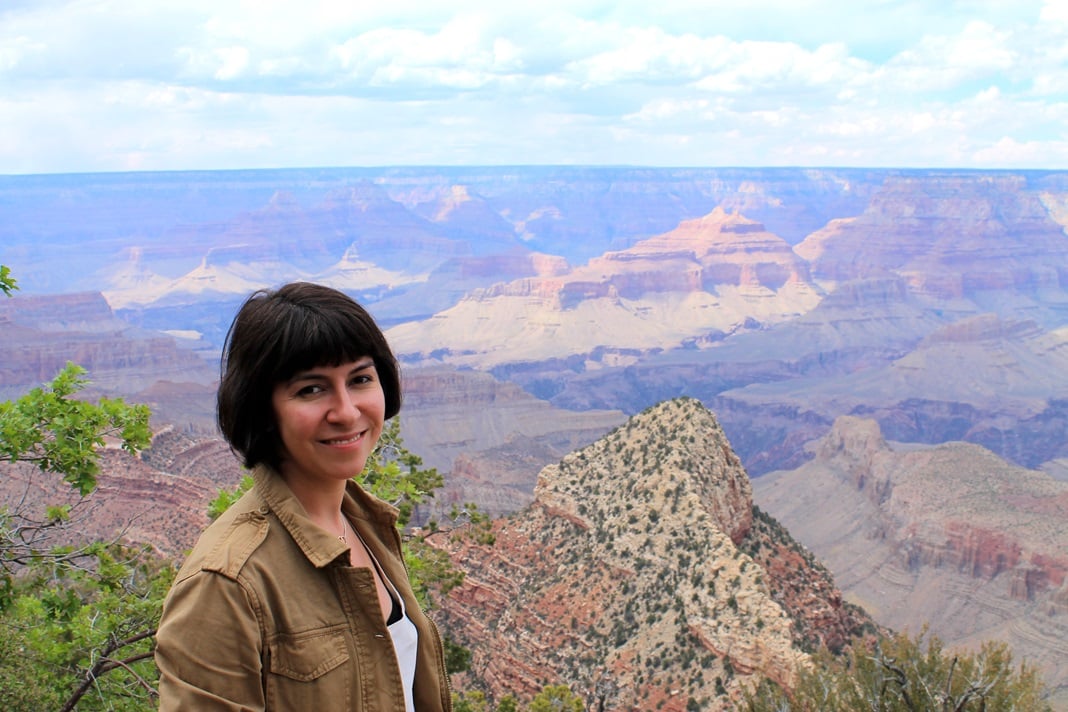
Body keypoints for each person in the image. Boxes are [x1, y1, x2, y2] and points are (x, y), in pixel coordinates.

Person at [155, 282, 452, 711]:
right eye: (311, 389)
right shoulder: (226, 584)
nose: (347, 411)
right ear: (262, 408)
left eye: (360, 379)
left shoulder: (365, 524)